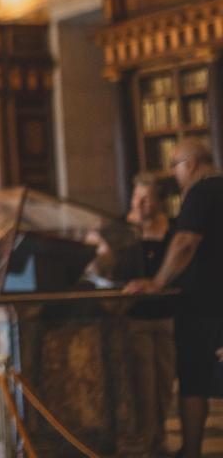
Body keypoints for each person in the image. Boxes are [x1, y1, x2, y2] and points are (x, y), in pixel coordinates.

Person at [126, 138, 223, 458]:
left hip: (202, 303)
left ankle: (191, 449)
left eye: (174, 166)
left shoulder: (200, 191)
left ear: (192, 164)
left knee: (193, 376)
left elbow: (184, 242)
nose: (174, 174)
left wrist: (157, 282)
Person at [124, 173, 176, 456]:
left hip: (167, 314)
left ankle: (160, 439)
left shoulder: (173, 229)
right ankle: (147, 441)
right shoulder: (123, 228)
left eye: (146, 199)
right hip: (135, 318)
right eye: (135, 198)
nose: (139, 204)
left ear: (159, 202)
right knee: (144, 384)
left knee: (165, 383)